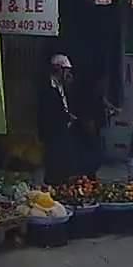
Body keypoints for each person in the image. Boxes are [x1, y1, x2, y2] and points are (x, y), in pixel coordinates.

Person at [38, 54, 78, 185]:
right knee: (53, 161)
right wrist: (64, 116)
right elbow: (49, 111)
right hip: (52, 130)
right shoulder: (47, 87)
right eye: (66, 71)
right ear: (58, 69)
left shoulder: (62, 85)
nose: (68, 74)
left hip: (63, 128)